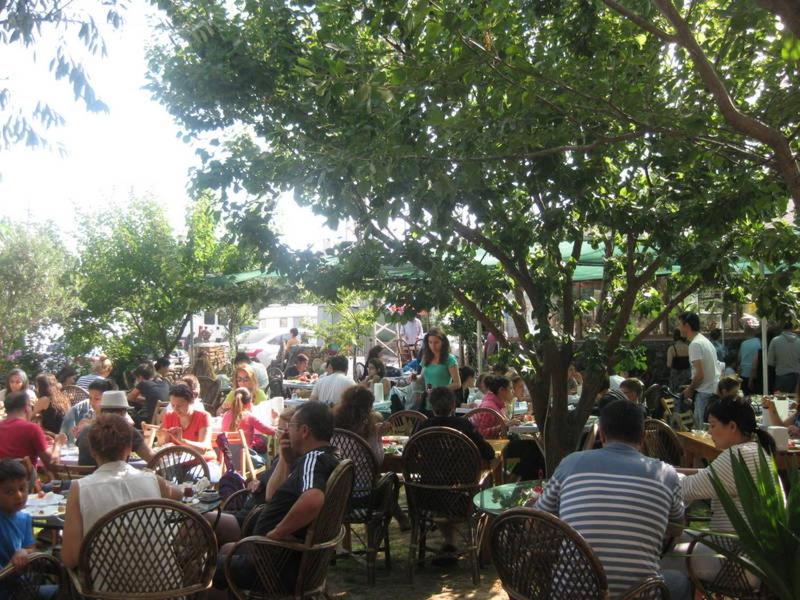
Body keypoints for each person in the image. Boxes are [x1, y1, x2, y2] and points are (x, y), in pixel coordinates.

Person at [536, 400, 690, 600]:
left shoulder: (571, 464)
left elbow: (539, 518)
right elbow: (678, 527)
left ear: (601, 435)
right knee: (680, 582)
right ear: (643, 437)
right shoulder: (666, 475)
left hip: (570, 593)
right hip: (639, 593)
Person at [212, 402, 340, 593]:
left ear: (304, 431)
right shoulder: (329, 458)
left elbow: (313, 499)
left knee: (201, 568)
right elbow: (271, 496)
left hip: (272, 565)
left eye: (291, 426)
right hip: (287, 560)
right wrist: (287, 460)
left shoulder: (313, 459)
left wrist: (277, 532)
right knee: (226, 551)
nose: (286, 432)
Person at [665, 397, 775, 585]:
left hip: (737, 562)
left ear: (732, 426)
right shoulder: (755, 450)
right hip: (754, 556)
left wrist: (656, 477)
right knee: (669, 537)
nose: (709, 431)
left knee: (660, 561)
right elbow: (707, 474)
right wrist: (669, 470)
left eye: (713, 425)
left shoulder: (736, 456)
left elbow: (684, 489)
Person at [60, 415, 182, 570]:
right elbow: (180, 493)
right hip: (165, 581)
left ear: (92, 451)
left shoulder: (79, 488)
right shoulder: (153, 480)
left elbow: (71, 558)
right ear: (129, 448)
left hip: (105, 583)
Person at [414, 387, 494, 566]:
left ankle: (450, 543)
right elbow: (488, 453)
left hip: (426, 498)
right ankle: (483, 547)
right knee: (487, 480)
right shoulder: (464, 426)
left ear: (431, 406)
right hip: (462, 498)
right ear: (453, 405)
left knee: (442, 489)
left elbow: (409, 455)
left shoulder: (423, 427)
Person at [0, 459, 57, 600]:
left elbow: (31, 548)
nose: (19, 496)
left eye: (22, 488)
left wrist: (24, 551)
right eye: (9, 492)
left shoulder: (24, 518)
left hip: (21, 586)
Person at [76, 391, 155, 467]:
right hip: (114, 475)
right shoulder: (127, 430)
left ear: (101, 411)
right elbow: (152, 459)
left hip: (84, 475)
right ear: (122, 413)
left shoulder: (86, 430)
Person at [678, 311, 721, 428]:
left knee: (702, 432)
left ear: (687, 326)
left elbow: (700, 374)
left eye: (680, 324)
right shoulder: (705, 341)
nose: (678, 328)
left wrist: (690, 389)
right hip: (713, 392)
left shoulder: (695, 344)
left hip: (704, 394)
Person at [157, 384, 214, 459]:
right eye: (173, 405)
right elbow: (164, 445)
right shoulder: (169, 416)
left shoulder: (203, 417)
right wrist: (160, 437)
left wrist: (182, 441)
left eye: (179, 406)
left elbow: (203, 449)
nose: (175, 409)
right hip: (178, 461)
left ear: (191, 402)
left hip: (203, 461)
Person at [0, 392, 53, 471]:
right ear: (26, 408)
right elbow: (51, 464)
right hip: (25, 478)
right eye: (31, 406)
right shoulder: (32, 429)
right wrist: (58, 444)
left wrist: (42, 439)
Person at [333, 386, 387, 464]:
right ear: (368, 407)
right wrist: (378, 436)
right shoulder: (367, 426)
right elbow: (378, 460)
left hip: (340, 470)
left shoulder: (334, 423)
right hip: (363, 471)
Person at [59, 378, 116, 443]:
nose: (92, 402)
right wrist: (79, 434)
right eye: (90, 398)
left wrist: (91, 425)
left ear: (108, 399)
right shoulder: (90, 413)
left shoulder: (115, 416)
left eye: (97, 399)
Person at [221, 387, 275, 452]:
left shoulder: (226, 414)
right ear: (249, 403)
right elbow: (269, 431)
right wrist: (276, 421)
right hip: (245, 455)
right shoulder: (248, 416)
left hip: (227, 456)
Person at [420, 327, 460, 411]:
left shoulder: (449, 359)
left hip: (444, 402)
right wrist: (413, 377)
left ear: (443, 342)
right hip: (429, 401)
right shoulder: (426, 358)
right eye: (430, 342)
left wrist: (438, 390)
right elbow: (422, 376)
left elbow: (457, 384)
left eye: (436, 342)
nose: (433, 346)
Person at [127, 363, 170, 427]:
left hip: (150, 421)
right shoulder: (165, 382)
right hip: (165, 419)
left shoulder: (143, 383)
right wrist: (147, 400)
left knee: (128, 417)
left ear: (140, 377)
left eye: (136, 378)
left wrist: (142, 400)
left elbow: (130, 398)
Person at [767, 321, 800, 393]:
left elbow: (770, 362)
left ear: (782, 327)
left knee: (781, 399)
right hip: (797, 378)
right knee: (796, 399)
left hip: (781, 376)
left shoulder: (775, 341)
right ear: (793, 327)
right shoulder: (799, 341)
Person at [737, 325, 761, 395]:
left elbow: (739, 358)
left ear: (745, 333)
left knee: (745, 395)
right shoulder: (760, 342)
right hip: (756, 373)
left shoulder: (743, 344)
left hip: (744, 373)